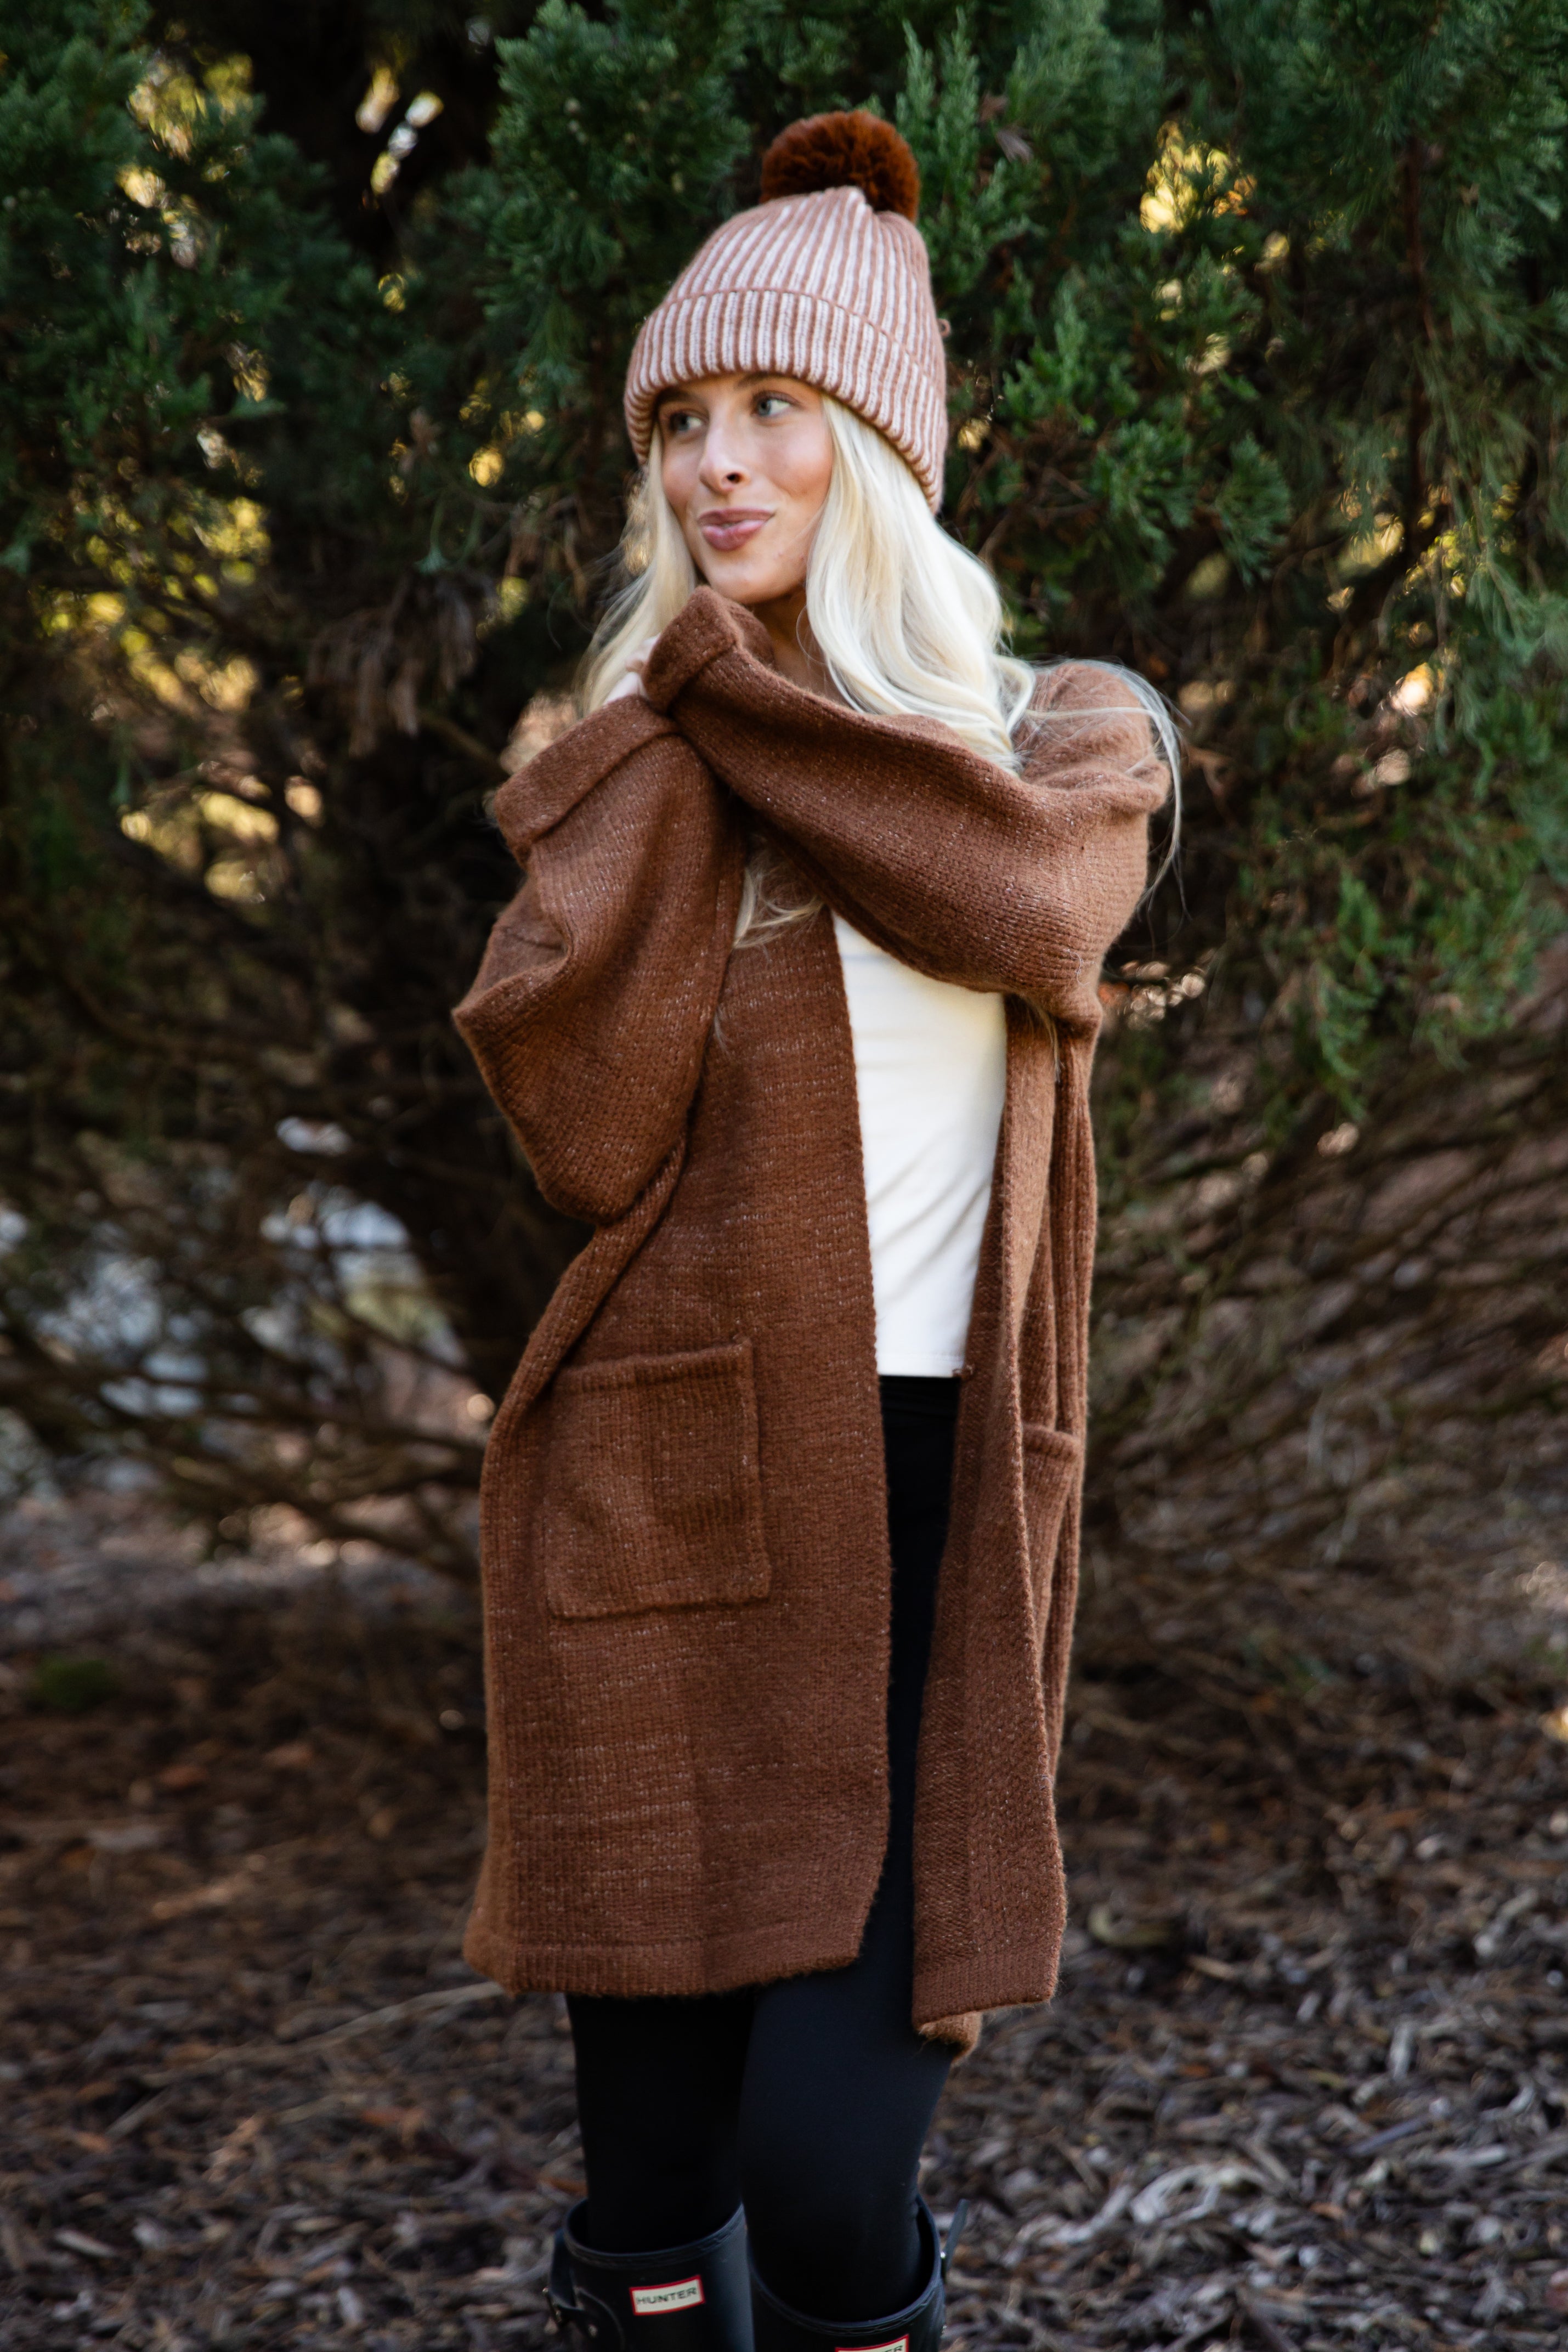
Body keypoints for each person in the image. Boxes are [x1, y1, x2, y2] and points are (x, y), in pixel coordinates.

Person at [454, 109, 1175, 2352]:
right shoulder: (655, 748)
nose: (715, 466)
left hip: (935, 1497)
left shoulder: (1056, 743)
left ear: (876, 439)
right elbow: (572, 1119)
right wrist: (660, 747)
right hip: (663, 1490)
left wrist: (734, 706)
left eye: (772, 410)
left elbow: (1027, 912)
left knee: (830, 2176)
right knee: (660, 2215)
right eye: (679, 422)